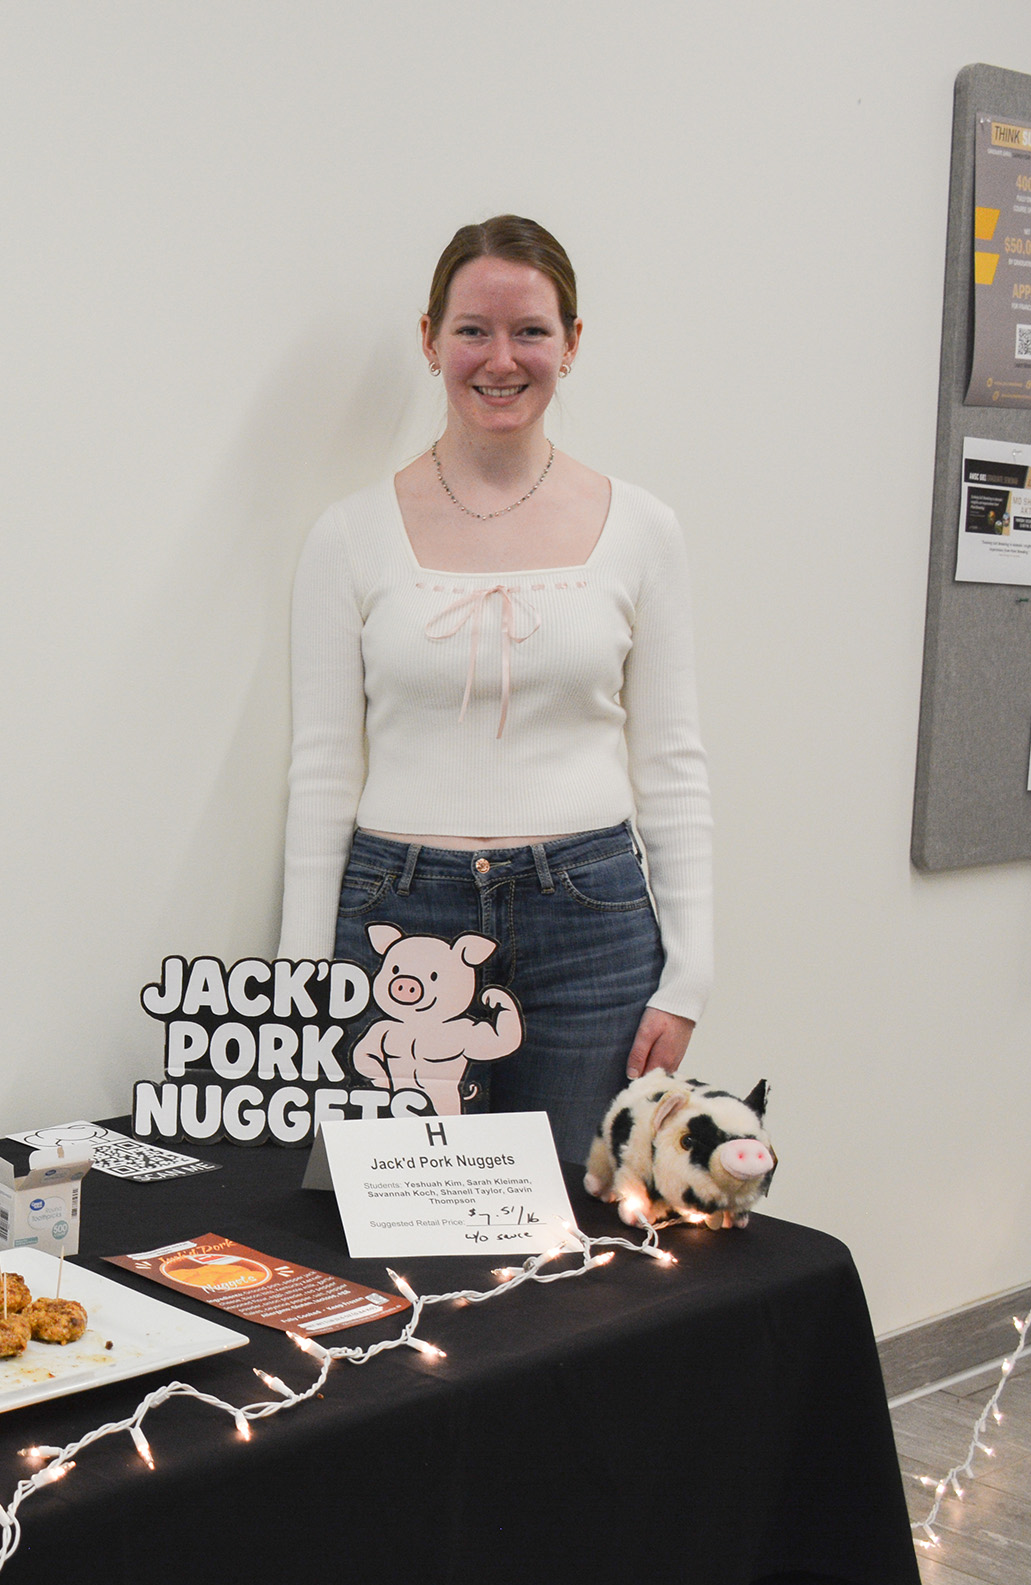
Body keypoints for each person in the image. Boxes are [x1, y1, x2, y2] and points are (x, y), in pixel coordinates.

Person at [277, 215, 710, 1165]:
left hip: (591, 925)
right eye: (473, 329)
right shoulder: (347, 536)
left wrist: (690, 975)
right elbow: (321, 770)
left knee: (568, 1246)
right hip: (397, 918)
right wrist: (299, 988)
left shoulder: (644, 530)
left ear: (572, 343)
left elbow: (673, 764)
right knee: (396, 1228)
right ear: (429, 339)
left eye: (531, 332)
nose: (501, 359)